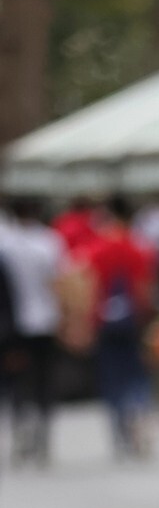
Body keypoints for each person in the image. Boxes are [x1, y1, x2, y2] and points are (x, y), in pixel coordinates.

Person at [81, 199, 158, 458]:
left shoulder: (95, 249)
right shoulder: (140, 247)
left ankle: (120, 431)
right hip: (134, 320)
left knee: (111, 377)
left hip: (104, 323)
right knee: (137, 373)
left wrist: (85, 322)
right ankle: (140, 413)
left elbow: (88, 288)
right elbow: (147, 287)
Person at [0, 198, 66, 464]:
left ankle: (23, 428)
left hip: (14, 325)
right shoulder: (49, 242)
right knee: (44, 379)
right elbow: (60, 281)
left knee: (17, 380)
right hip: (46, 321)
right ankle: (42, 431)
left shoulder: (6, 243)